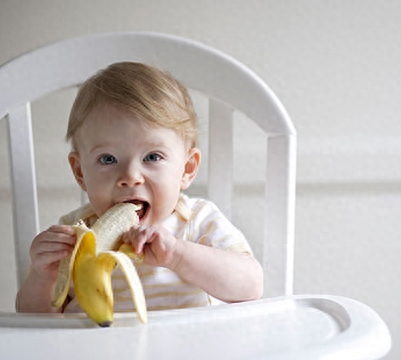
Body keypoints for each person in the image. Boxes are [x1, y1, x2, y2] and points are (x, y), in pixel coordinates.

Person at [16, 61, 263, 314]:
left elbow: (251, 285)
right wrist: (43, 277)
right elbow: (33, 320)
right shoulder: (75, 236)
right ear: (80, 172)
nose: (130, 176)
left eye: (152, 157)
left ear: (187, 169)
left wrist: (178, 255)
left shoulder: (198, 221)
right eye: (108, 159)